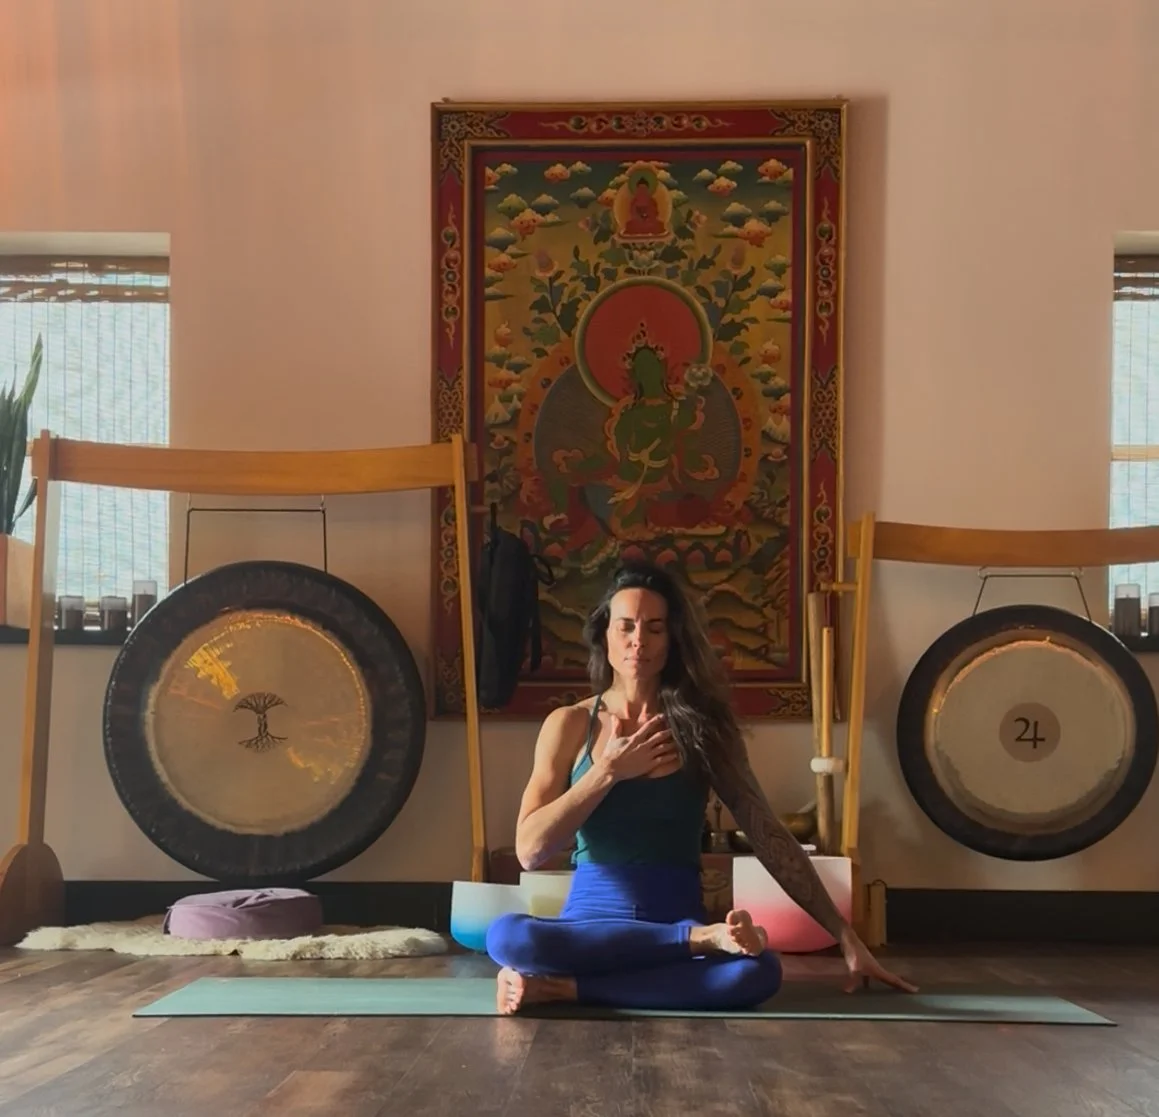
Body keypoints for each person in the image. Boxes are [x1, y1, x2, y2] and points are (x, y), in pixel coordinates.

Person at [485, 559, 918, 1015]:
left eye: (655, 628)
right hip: (592, 929)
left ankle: (563, 988)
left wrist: (846, 936)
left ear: (673, 639)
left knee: (757, 972)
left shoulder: (704, 729)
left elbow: (769, 837)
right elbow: (531, 850)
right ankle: (687, 945)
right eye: (626, 625)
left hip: (674, 918)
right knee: (508, 936)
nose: (638, 640)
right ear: (604, 634)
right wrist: (606, 772)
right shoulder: (570, 724)